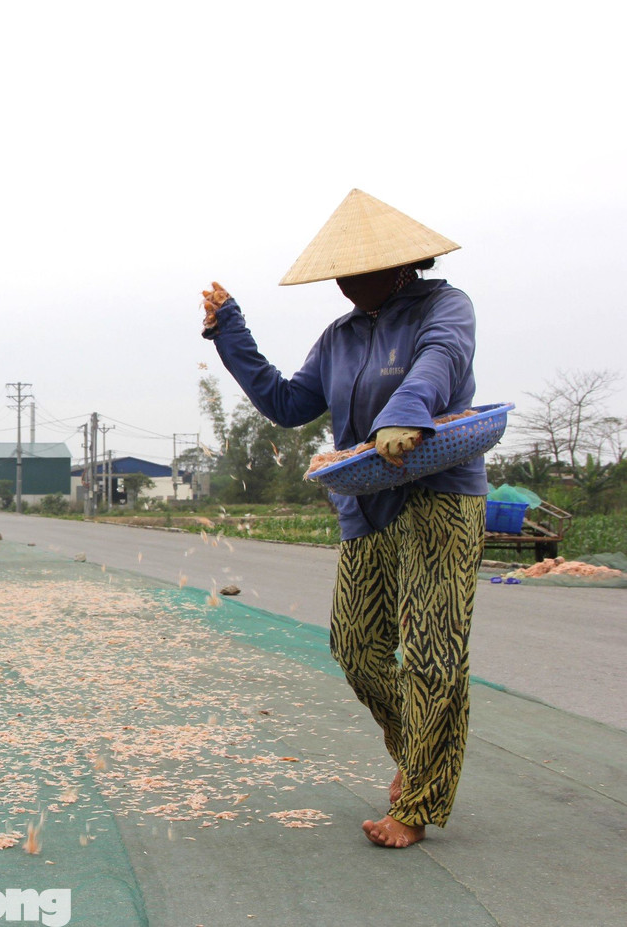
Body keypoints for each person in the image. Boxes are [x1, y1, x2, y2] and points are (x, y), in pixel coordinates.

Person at [200, 189, 485, 849]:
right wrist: (230, 331)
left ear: (400, 264)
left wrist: (405, 413)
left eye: (356, 271)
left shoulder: (445, 307)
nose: (344, 283)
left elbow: (440, 360)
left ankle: (418, 803)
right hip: (366, 505)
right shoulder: (340, 336)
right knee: (356, 647)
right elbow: (286, 402)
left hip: (439, 495)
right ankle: (414, 747)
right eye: (339, 274)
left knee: (434, 654)